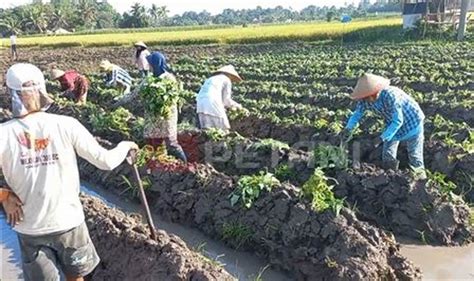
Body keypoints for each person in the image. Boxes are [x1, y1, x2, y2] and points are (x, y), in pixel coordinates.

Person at [0, 63, 138, 281]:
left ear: (12, 94)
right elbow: (105, 161)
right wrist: (125, 145)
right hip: (69, 223)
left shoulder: (4, 134)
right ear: (42, 90)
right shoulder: (66, 125)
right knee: (76, 277)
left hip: (30, 228)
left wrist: (4, 195)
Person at [342, 73, 426, 178]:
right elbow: (356, 115)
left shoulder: (390, 96)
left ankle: (422, 181)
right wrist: (348, 129)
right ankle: (390, 177)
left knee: (415, 156)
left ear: (375, 92)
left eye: (368, 96)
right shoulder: (365, 100)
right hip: (391, 123)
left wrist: (381, 138)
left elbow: (398, 121)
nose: (366, 100)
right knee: (387, 154)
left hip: (412, 122)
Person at [115, 52, 187, 162]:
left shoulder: (169, 79)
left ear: (156, 64)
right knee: (152, 142)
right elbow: (134, 94)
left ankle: (184, 165)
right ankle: (158, 166)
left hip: (166, 116)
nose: (149, 66)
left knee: (171, 143)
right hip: (152, 117)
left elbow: (175, 96)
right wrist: (119, 102)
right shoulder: (148, 79)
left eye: (150, 64)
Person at [196, 65, 245, 130]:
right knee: (224, 128)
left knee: (207, 130)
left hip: (200, 103)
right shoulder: (226, 80)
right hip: (212, 102)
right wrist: (238, 106)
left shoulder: (210, 79)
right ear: (229, 74)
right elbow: (226, 101)